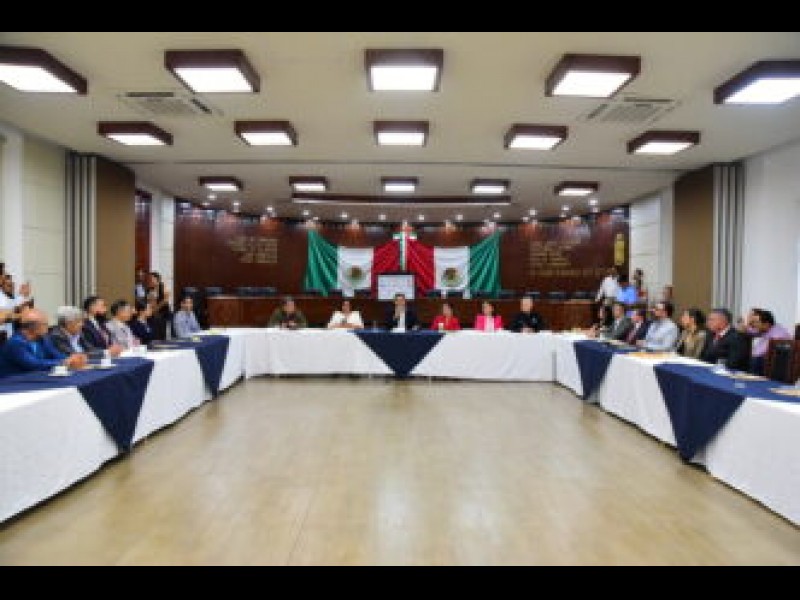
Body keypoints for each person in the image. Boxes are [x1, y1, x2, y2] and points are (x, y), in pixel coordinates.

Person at [0, 309, 86, 377]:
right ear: (33, 327)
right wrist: (65, 362)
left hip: (34, 379)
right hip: (13, 383)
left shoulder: (43, 339)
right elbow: (34, 364)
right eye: (45, 324)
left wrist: (73, 359)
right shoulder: (16, 343)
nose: (48, 327)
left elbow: (56, 355)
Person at [749, 309, 791, 375]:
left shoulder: (777, 334)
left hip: (775, 364)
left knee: (755, 360)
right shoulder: (765, 329)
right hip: (764, 361)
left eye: (757, 322)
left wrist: (753, 355)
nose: (755, 325)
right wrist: (749, 322)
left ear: (766, 324)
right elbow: (749, 331)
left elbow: (761, 353)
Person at [147, 271, 171, 340]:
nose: (150, 281)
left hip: (164, 312)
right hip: (155, 314)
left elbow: (166, 300)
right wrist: (155, 308)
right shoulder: (149, 290)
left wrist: (157, 307)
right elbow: (151, 303)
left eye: (152, 279)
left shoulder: (163, 286)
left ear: (158, 280)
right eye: (149, 279)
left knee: (165, 332)